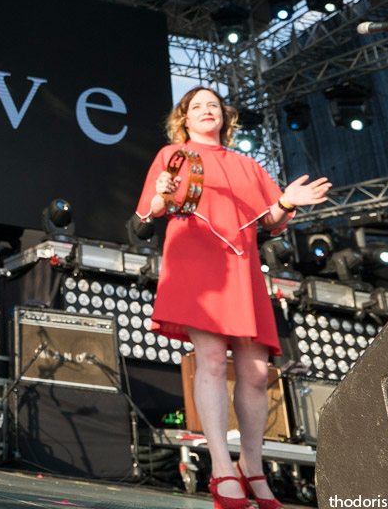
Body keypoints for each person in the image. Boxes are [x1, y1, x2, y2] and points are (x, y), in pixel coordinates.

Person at [134, 87, 330, 509]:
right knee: (209, 359)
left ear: (225, 117)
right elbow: (151, 210)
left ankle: (252, 467)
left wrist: (287, 201)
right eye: (197, 106)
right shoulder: (173, 155)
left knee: (256, 372)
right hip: (194, 261)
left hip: (241, 265)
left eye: (214, 106)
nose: (207, 111)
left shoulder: (247, 165)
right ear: (184, 118)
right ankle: (221, 468)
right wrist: (161, 192)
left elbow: (271, 220)